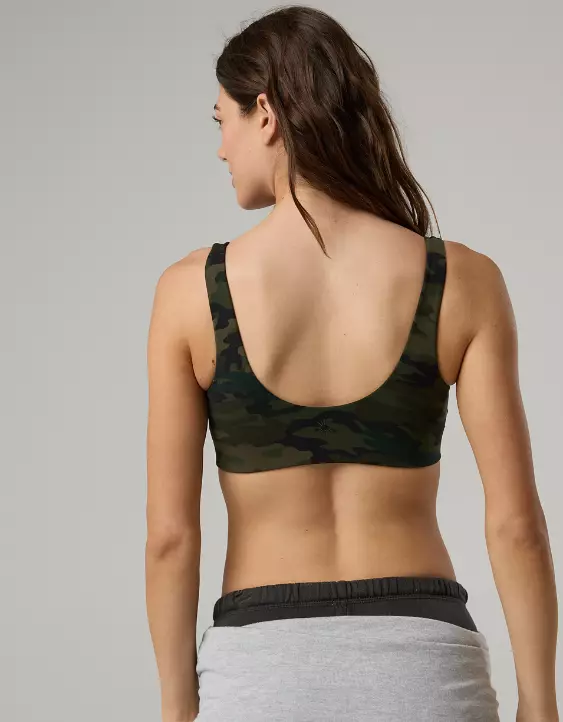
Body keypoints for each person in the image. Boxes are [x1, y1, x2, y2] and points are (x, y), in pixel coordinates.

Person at [144, 6, 559, 722]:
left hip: (261, 674)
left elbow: (170, 538)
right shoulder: (461, 281)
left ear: (265, 113)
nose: (220, 149)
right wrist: (541, 703)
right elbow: (515, 523)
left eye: (222, 121)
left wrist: (178, 711)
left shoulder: (190, 292)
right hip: (425, 668)